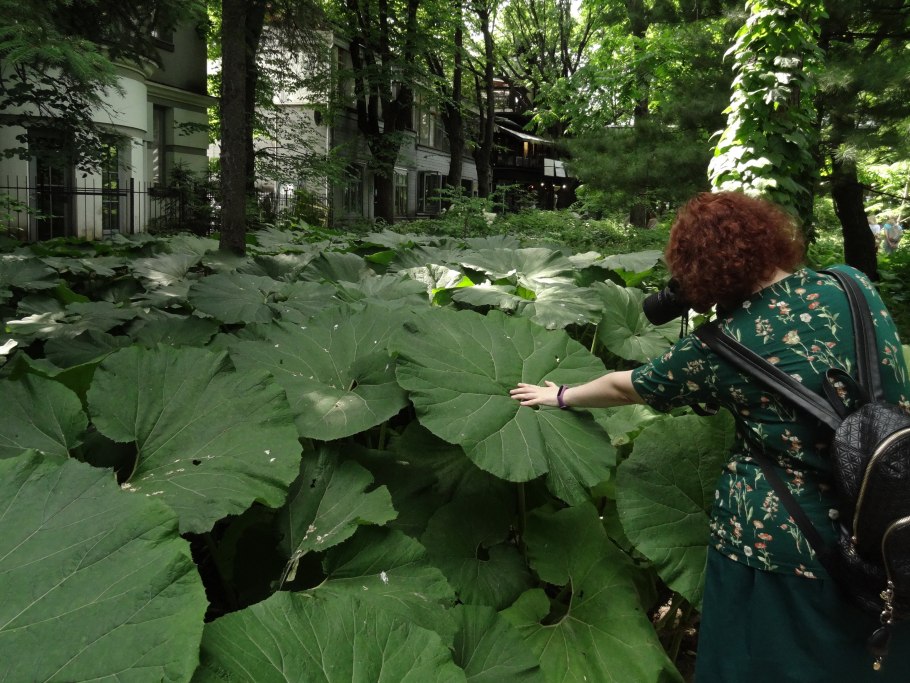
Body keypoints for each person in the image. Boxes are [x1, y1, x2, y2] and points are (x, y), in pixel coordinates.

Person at [510, 191, 910, 682]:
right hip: (891, 519)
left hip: (783, 545)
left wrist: (562, 394)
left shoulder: (719, 347)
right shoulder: (851, 284)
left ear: (698, 272)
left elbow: (625, 387)